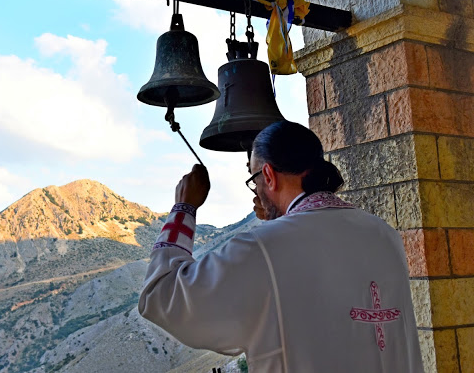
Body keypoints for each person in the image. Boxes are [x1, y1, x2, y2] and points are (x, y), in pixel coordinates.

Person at [138, 121, 423, 372]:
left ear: (269, 176)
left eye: (255, 180)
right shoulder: (384, 235)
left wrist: (184, 207)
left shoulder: (261, 248)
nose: (257, 191)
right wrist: (280, 221)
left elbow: (161, 295)